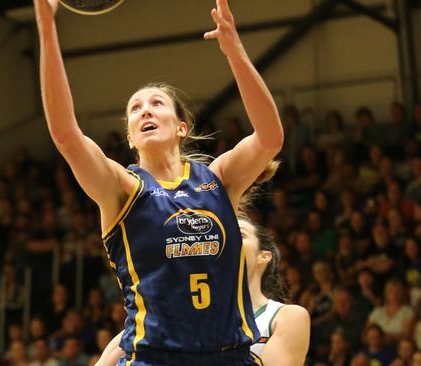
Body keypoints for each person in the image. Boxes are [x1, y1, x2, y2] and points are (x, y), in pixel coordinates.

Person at [33, 0, 284, 364]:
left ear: (181, 127)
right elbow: (65, 134)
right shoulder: (123, 188)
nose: (145, 110)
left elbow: (270, 137)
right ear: (131, 138)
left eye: (157, 103)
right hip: (155, 357)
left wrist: (235, 51)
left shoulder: (217, 180)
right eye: (135, 109)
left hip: (230, 356)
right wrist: (46, 24)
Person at [95, 218, 310, 366]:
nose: (228, 240)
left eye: (240, 235)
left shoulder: (287, 316)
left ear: (264, 256)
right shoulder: (165, 315)